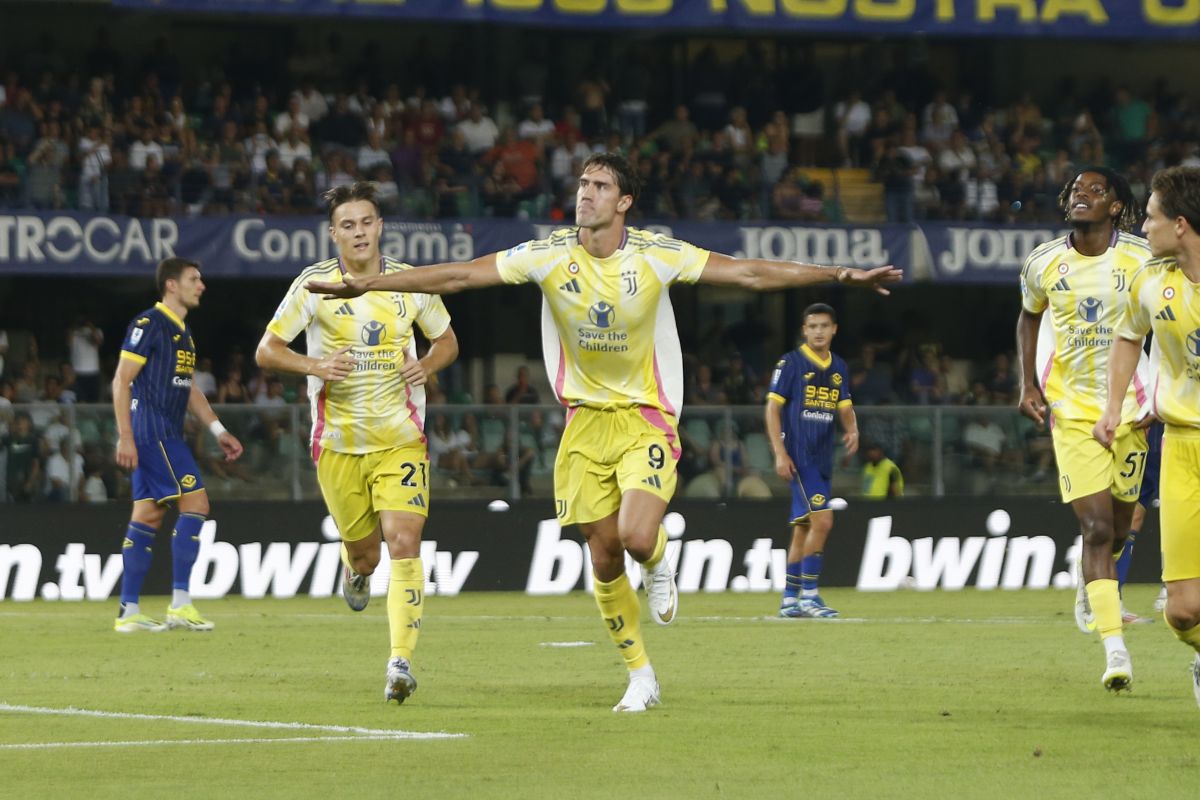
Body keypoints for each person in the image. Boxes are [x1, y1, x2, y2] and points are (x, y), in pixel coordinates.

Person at [307, 152, 900, 712]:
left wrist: (839, 274)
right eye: (583, 184)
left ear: (624, 202)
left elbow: (747, 272)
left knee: (637, 537)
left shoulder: (655, 254)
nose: (585, 194)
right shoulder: (547, 255)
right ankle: (641, 675)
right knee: (604, 553)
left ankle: (659, 559)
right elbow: (462, 275)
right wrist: (370, 285)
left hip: (645, 415)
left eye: (599, 186)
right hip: (583, 423)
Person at [255, 182, 459, 705]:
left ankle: (400, 663)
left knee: (404, 542)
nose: (359, 232)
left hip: (401, 439)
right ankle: (355, 570)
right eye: (348, 225)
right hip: (339, 444)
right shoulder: (315, 285)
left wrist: (427, 365)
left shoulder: (409, 283)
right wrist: (315, 365)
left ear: (380, 226)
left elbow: (446, 341)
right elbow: (267, 350)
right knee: (367, 556)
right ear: (334, 233)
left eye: (367, 222)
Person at [1016, 167, 1152, 693]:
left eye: (1095, 191)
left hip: (1132, 410)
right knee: (1094, 529)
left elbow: (1166, 322)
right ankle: (1115, 650)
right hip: (1071, 410)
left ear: (1116, 206)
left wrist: (1160, 390)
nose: (1082, 195)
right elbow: (1029, 316)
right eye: (1076, 189)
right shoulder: (1043, 261)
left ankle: (1090, 581)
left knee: (1118, 528)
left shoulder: (1142, 258)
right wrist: (1028, 383)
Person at [1095, 165, 1200, 707]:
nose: (1143, 227)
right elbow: (1127, 339)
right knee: (1181, 611)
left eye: (1152, 217)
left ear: (1180, 224)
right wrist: (1115, 407)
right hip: (1181, 446)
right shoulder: (1151, 280)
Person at [111, 257, 244, 634]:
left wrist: (217, 429)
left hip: (163, 432)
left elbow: (188, 389)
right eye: (193, 279)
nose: (201, 285)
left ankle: (129, 611)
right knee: (196, 504)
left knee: (148, 516)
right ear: (171, 284)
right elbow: (121, 380)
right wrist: (125, 435)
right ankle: (181, 604)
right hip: (153, 432)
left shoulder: (183, 332)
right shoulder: (149, 324)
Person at [765, 304, 858, 618]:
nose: (818, 331)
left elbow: (845, 405)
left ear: (834, 329)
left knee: (804, 528)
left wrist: (853, 429)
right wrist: (779, 452)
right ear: (804, 330)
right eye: (813, 326)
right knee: (823, 521)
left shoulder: (839, 366)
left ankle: (790, 599)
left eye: (824, 326)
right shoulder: (791, 363)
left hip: (822, 457)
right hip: (799, 456)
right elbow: (772, 408)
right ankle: (810, 596)